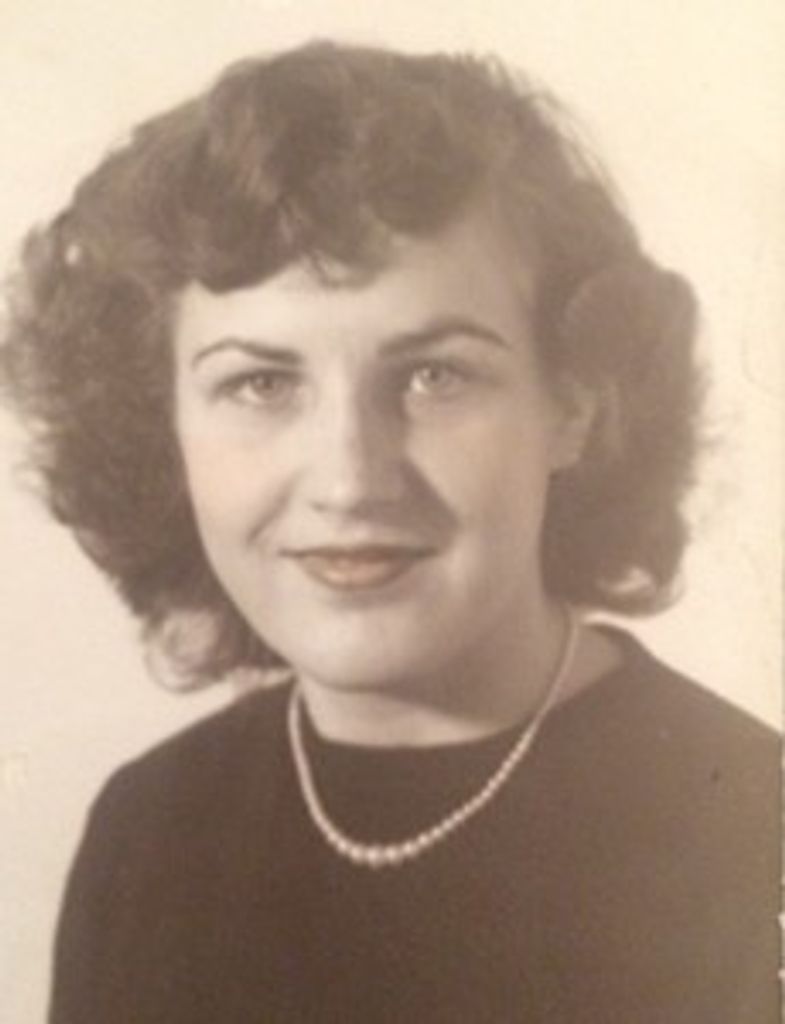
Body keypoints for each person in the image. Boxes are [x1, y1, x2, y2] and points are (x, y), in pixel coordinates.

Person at [1, 40, 778, 1023]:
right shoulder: (144, 830)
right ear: (162, 425)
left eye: (432, 376)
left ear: (575, 403)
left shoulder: (754, 832)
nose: (349, 479)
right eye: (260, 383)